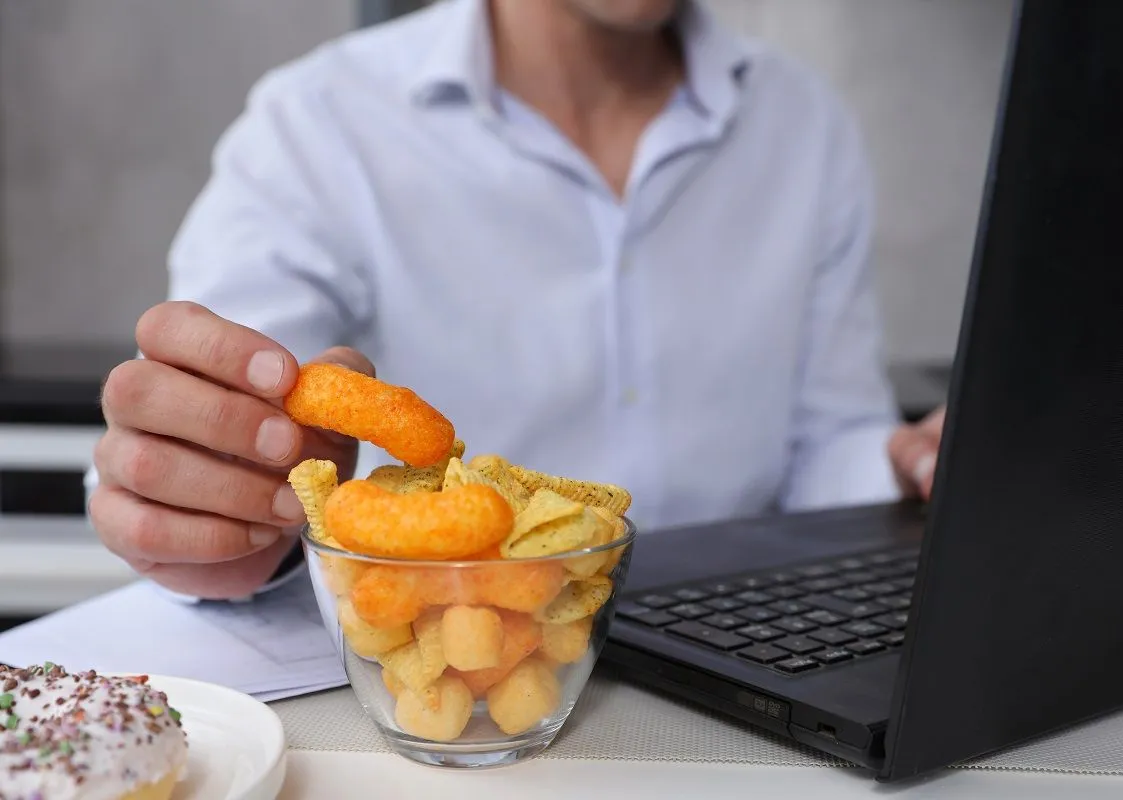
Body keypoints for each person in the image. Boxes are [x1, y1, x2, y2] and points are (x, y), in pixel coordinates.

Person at [88, 0, 945, 601]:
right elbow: (231, 435)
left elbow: (827, 443)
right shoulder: (318, 124)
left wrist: (902, 464)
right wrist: (218, 505)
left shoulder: (803, 122)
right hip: (469, 681)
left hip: (755, 658)